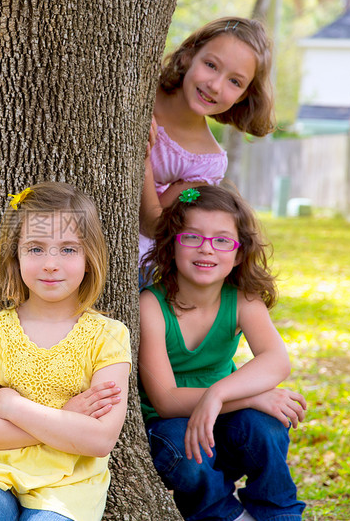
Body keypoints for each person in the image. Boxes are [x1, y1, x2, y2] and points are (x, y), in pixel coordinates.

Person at [0, 182, 132, 521]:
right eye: (35, 249)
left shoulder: (108, 336)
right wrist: (67, 419)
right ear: (14, 256)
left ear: (90, 258)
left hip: (69, 483)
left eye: (68, 249)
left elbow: (100, 439)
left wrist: (12, 406)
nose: (50, 263)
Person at [138, 185, 307, 521]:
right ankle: (222, 514)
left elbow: (277, 360)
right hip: (171, 426)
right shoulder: (151, 307)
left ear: (239, 253)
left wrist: (218, 395)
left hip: (224, 420)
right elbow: (166, 401)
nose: (207, 250)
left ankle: (278, 513)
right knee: (184, 450)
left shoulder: (242, 299)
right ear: (171, 245)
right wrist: (248, 397)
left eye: (221, 240)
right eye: (192, 238)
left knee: (267, 427)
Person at [139, 17, 276, 272]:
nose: (215, 85)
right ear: (188, 56)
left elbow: (153, 224)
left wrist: (143, 162)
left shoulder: (206, 163)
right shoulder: (141, 88)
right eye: (211, 65)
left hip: (133, 259)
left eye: (234, 82)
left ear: (243, 95)